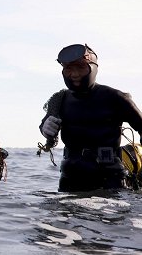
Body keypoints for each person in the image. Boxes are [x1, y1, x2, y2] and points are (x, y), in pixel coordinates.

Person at [40, 43, 142, 192]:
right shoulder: (59, 99)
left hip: (110, 179)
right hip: (70, 178)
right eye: (69, 69)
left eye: (80, 67)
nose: (74, 75)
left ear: (93, 67)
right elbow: (46, 130)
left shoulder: (116, 98)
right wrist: (45, 128)